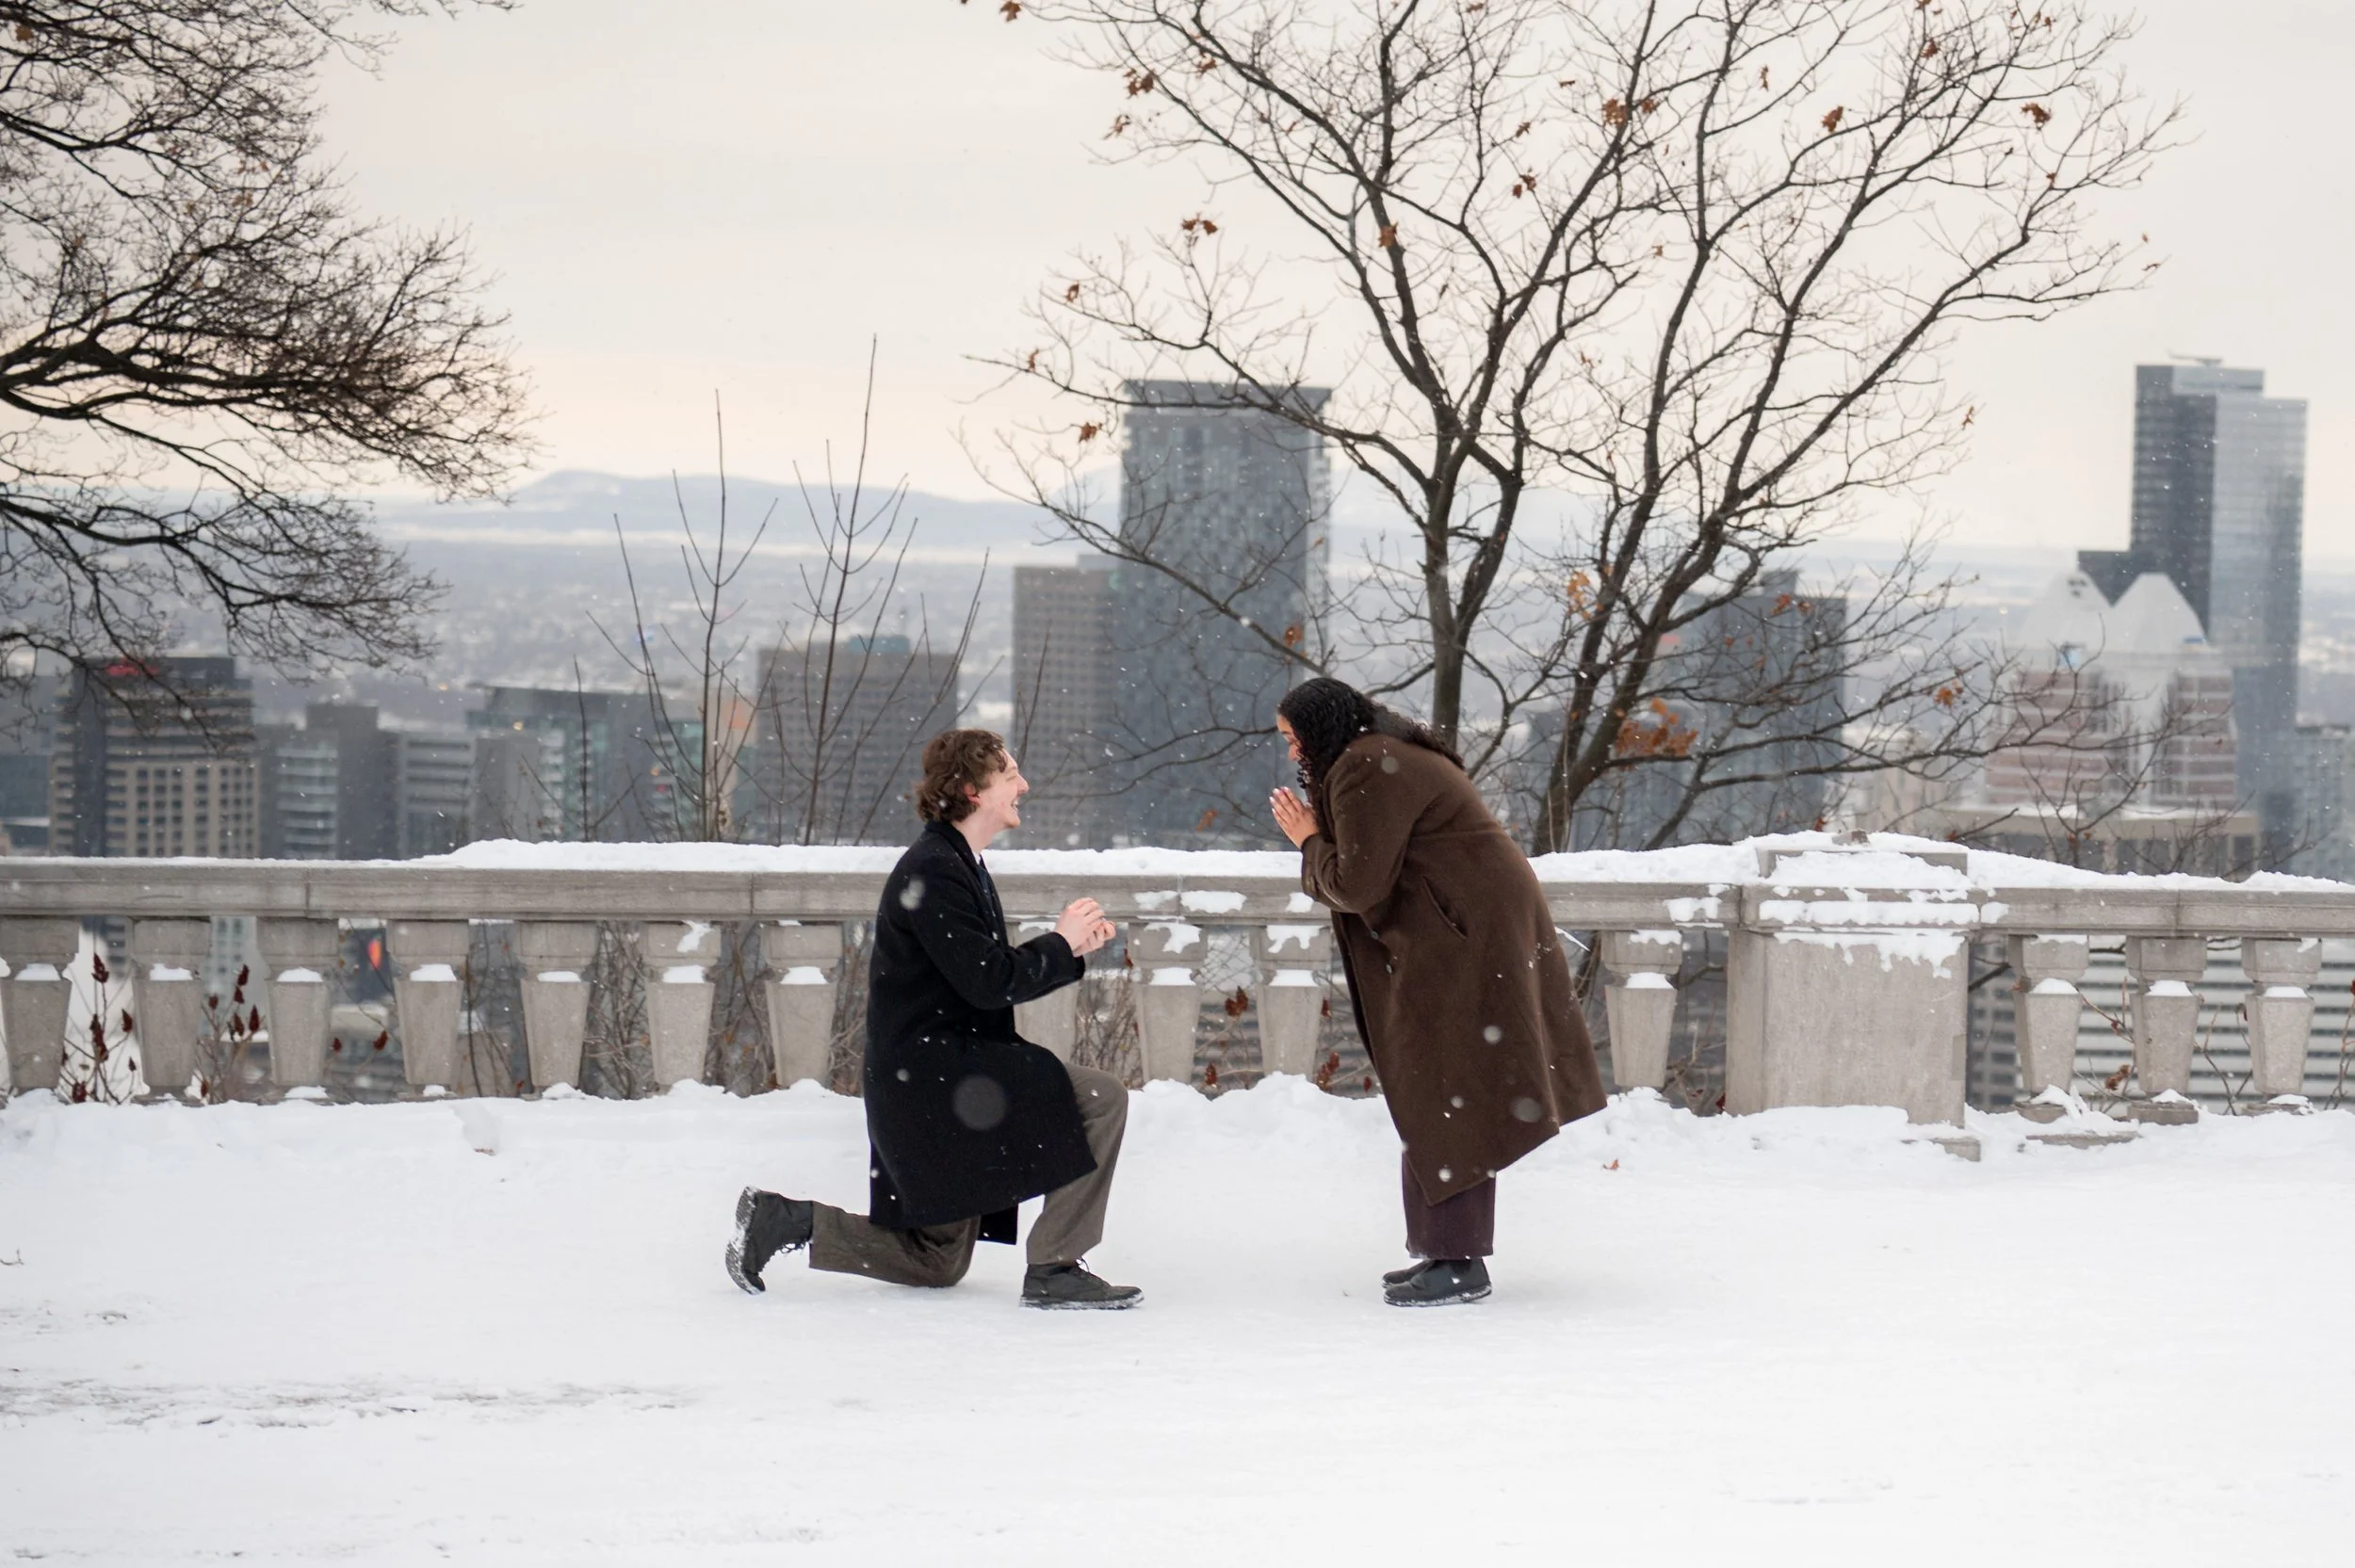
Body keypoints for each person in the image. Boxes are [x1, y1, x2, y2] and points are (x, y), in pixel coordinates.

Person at [726, 728, 1140, 1310]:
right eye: (1010, 776)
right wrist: (1061, 942)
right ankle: (1056, 1267)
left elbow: (982, 977)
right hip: (934, 1082)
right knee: (1099, 1097)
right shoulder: (937, 869)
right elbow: (989, 981)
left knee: (935, 1259)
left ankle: (786, 1220)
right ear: (973, 791)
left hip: (941, 1076)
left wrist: (1067, 950)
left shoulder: (956, 861)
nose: (1024, 785)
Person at [1269, 677, 1607, 1306]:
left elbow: (1358, 884)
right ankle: (1443, 1250)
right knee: (1440, 1082)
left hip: (1462, 934)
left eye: (1293, 738)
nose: (1291, 752)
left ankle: (1457, 1262)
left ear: (1320, 729)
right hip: (1465, 925)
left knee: (1446, 1086)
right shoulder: (1378, 751)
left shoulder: (1365, 764)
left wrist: (1308, 841)